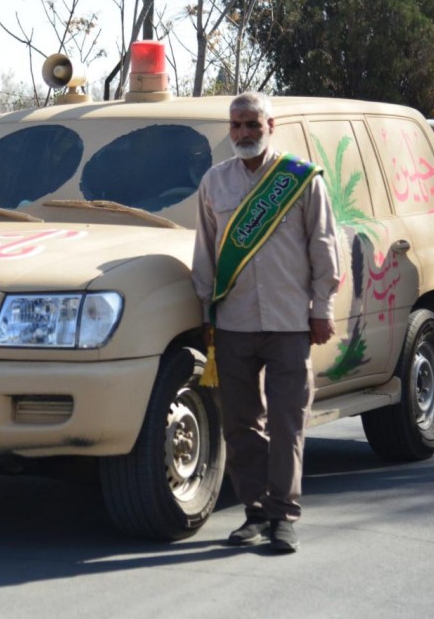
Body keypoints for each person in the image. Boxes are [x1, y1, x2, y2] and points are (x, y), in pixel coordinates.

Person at [191, 91, 340, 553]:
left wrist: (322, 308)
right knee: (239, 424)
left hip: (290, 321)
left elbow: (324, 246)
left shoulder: (300, 179)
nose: (244, 133)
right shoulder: (214, 182)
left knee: (287, 422)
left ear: (270, 126)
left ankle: (283, 516)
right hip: (233, 322)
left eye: (252, 124)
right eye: (236, 125)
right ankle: (255, 512)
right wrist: (207, 313)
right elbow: (205, 252)